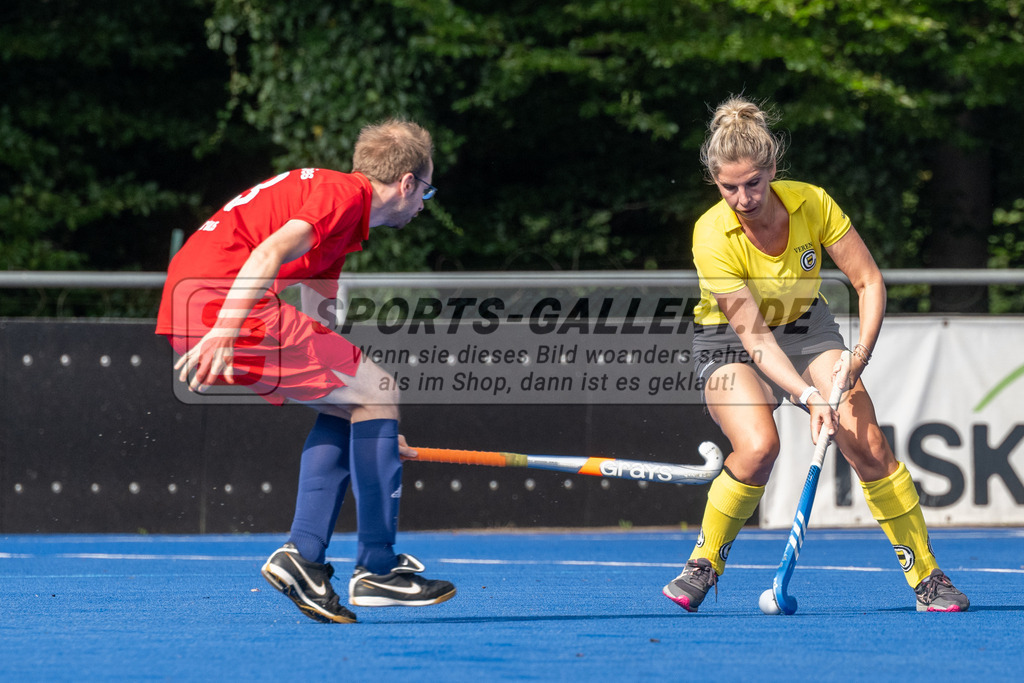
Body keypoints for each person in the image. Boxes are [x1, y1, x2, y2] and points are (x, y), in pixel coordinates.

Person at [662, 96, 969, 613]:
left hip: (807, 327)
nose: (743, 198)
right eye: (728, 187)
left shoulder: (812, 202)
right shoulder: (711, 234)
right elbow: (756, 339)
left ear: (772, 169)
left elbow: (868, 280)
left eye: (754, 183)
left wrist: (857, 358)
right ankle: (705, 561)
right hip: (730, 341)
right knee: (759, 447)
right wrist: (806, 394)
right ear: (715, 182)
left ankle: (927, 577)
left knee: (867, 443)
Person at [155, 118, 455, 624]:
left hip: (204, 302)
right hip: (222, 304)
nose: (424, 203)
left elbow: (322, 326)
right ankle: (377, 570)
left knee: (364, 399)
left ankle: (305, 558)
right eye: (427, 190)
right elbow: (268, 252)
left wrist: (375, 432)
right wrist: (227, 330)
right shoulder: (342, 196)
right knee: (379, 389)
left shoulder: (342, 218)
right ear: (406, 183)